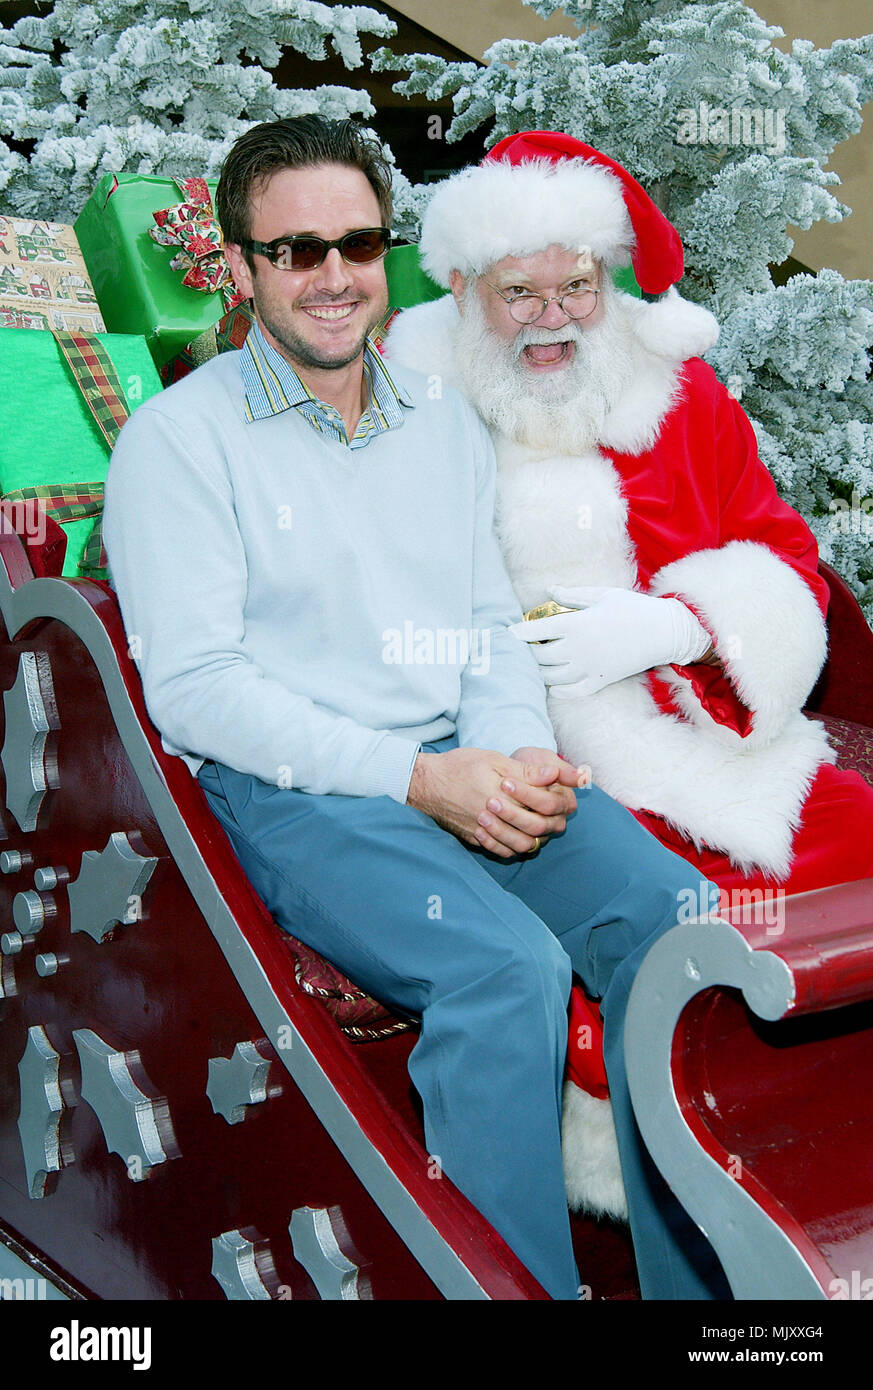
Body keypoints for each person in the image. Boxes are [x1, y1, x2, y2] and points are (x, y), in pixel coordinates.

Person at [102, 115, 728, 1302]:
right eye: (294, 251)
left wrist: (517, 756)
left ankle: (692, 1296)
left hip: (459, 757)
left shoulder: (441, 418)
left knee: (672, 917)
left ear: (385, 252)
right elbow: (196, 689)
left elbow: (487, 622)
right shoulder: (177, 444)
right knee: (504, 971)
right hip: (302, 793)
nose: (331, 275)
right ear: (241, 268)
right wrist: (418, 780)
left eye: (355, 242)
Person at [384, 129, 873, 1212]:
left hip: (701, 730)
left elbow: (781, 549)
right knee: (665, 911)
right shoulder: (409, 404)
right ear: (466, 288)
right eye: (521, 293)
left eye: (578, 287)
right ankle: (690, 1178)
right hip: (511, 754)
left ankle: (825, 1158)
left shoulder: (680, 395)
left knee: (854, 850)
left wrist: (680, 628)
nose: (553, 316)